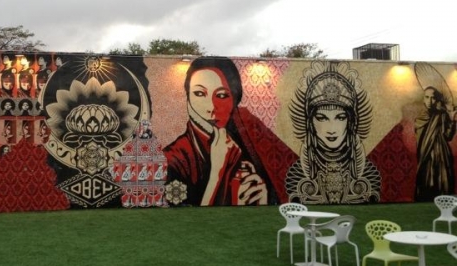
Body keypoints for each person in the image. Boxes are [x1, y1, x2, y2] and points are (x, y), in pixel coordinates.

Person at [163, 57, 272, 206]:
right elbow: (183, 213)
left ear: (235, 100)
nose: (211, 107)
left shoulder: (248, 141)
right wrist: (217, 174)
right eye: (199, 93)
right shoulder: (173, 158)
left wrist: (259, 198)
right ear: (187, 96)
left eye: (221, 95)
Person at [285, 61, 381, 204]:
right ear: (310, 122)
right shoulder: (296, 173)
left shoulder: (368, 171)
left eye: (340, 118)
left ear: (351, 122)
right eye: (322, 118)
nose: (331, 129)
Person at [414, 86, 457, 201]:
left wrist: (452, 119)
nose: (429, 101)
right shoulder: (420, 118)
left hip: (442, 154)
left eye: (432, 98)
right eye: (427, 97)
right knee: (427, 182)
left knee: (442, 181)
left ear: (437, 100)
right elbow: (419, 140)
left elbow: (448, 136)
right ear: (423, 99)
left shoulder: (442, 115)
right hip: (426, 156)